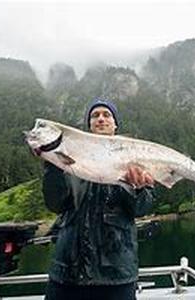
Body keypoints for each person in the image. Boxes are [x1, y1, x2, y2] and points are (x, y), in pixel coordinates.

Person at [43, 97, 154, 300]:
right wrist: (52, 165)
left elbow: (142, 209)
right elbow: (55, 204)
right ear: (89, 126)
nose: (100, 119)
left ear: (115, 125)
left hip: (117, 275)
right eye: (95, 116)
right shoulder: (68, 160)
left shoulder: (134, 159)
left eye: (106, 115)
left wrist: (136, 189)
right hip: (67, 273)